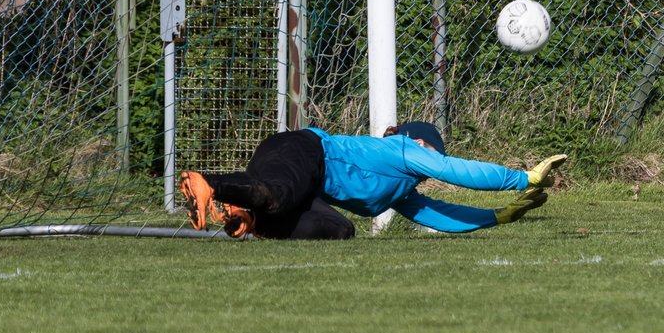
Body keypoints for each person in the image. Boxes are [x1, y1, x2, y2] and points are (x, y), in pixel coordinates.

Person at [178, 121, 567, 240]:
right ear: (420, 143)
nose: (435, 160)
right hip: (302, 150)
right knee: (279, 195)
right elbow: (457, 171)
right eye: (434, 152)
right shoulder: (402, 150)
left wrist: (496, 217)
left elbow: (440, 216)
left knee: (339, 229)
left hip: (305, 181)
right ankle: (208, 182)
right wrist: (523, 178)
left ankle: (251, 218)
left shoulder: (399, 191)